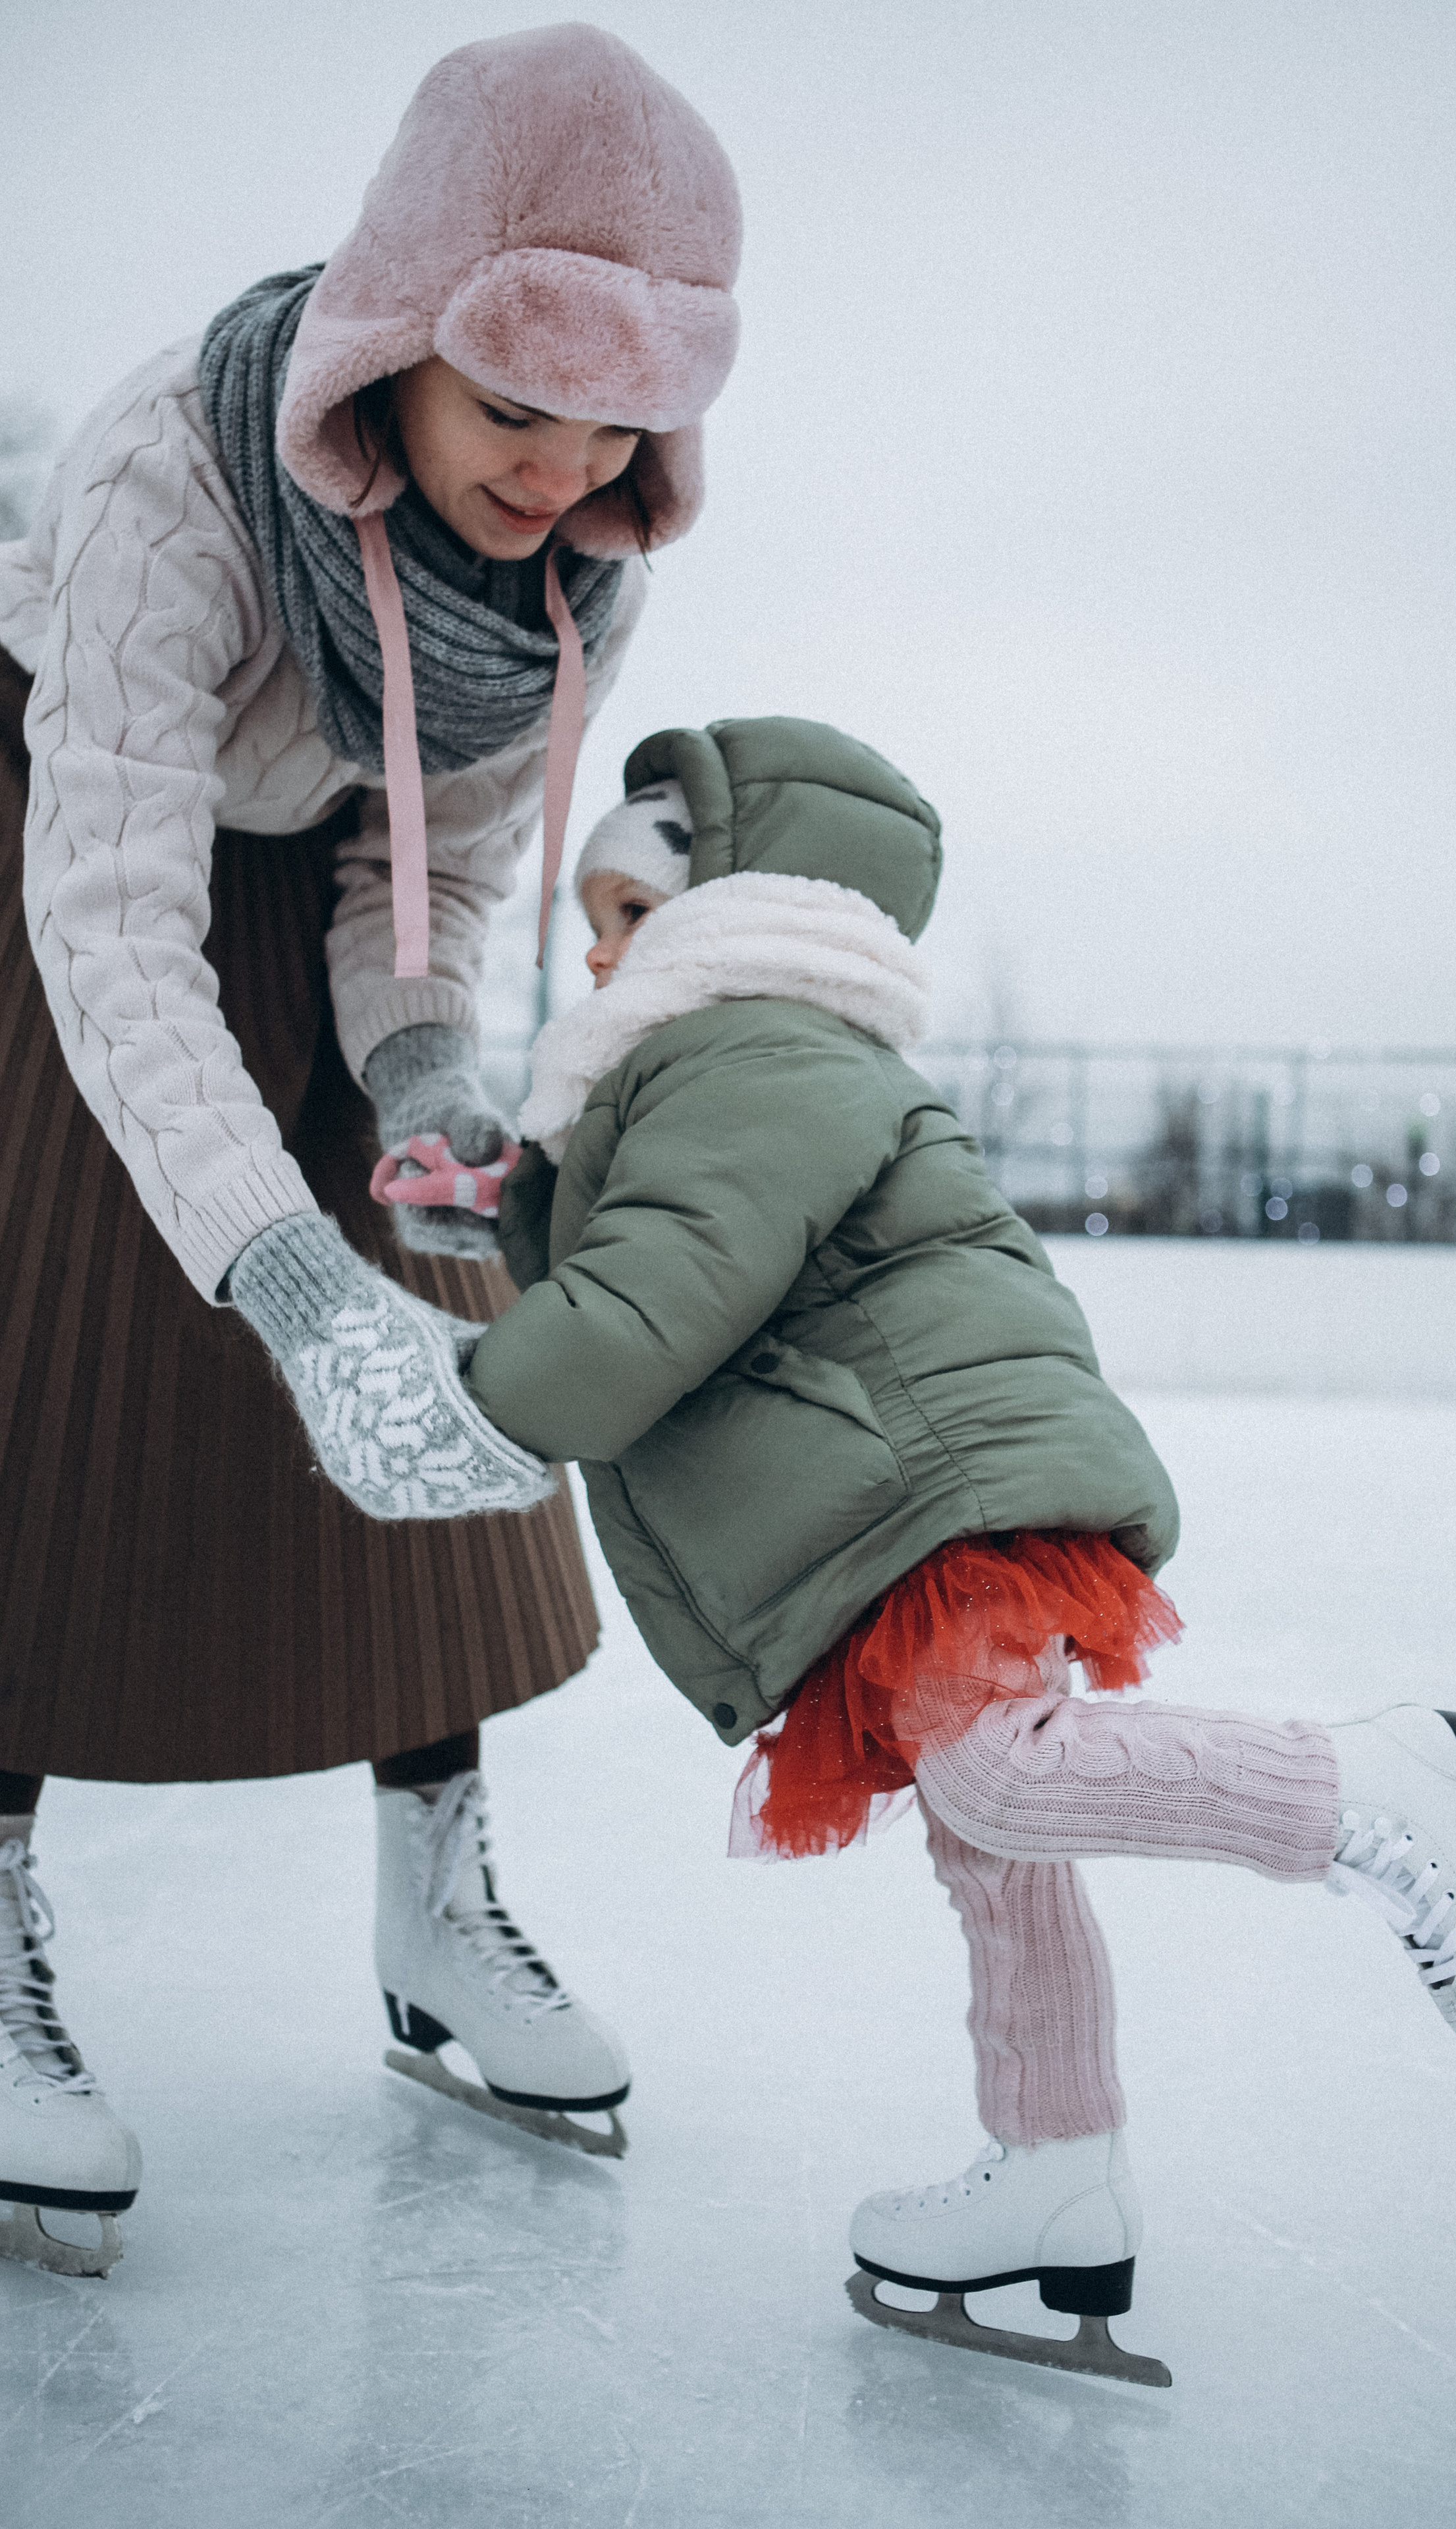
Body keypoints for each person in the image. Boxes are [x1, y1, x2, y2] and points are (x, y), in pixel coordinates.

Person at [460, 715, 1456, 2380]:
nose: (602, 951)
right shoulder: (736, 1059)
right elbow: (644, 1227)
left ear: (731, 907)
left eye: (627, 914)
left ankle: (1384, 1782)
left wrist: (473, 1393)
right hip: (902, 1489)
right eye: (592, 924)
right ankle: (1058, 2171)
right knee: (992, 1848)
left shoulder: (748, 1041)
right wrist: (488, 1205)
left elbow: (656, 1291)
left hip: (932, 1486)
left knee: (995, 1781)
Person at [0, 24, 741, 2276]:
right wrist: (281, 1283)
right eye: (517, 406)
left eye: (622, 414)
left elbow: (417, 890)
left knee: (444, 1386)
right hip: (67, 862)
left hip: (325, 896)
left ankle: (440, 1913)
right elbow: (112, 920)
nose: (569, 463)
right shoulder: (170, 474)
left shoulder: (574, 572)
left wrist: (427, 1098)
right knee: (47, 1395)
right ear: (399, 342)